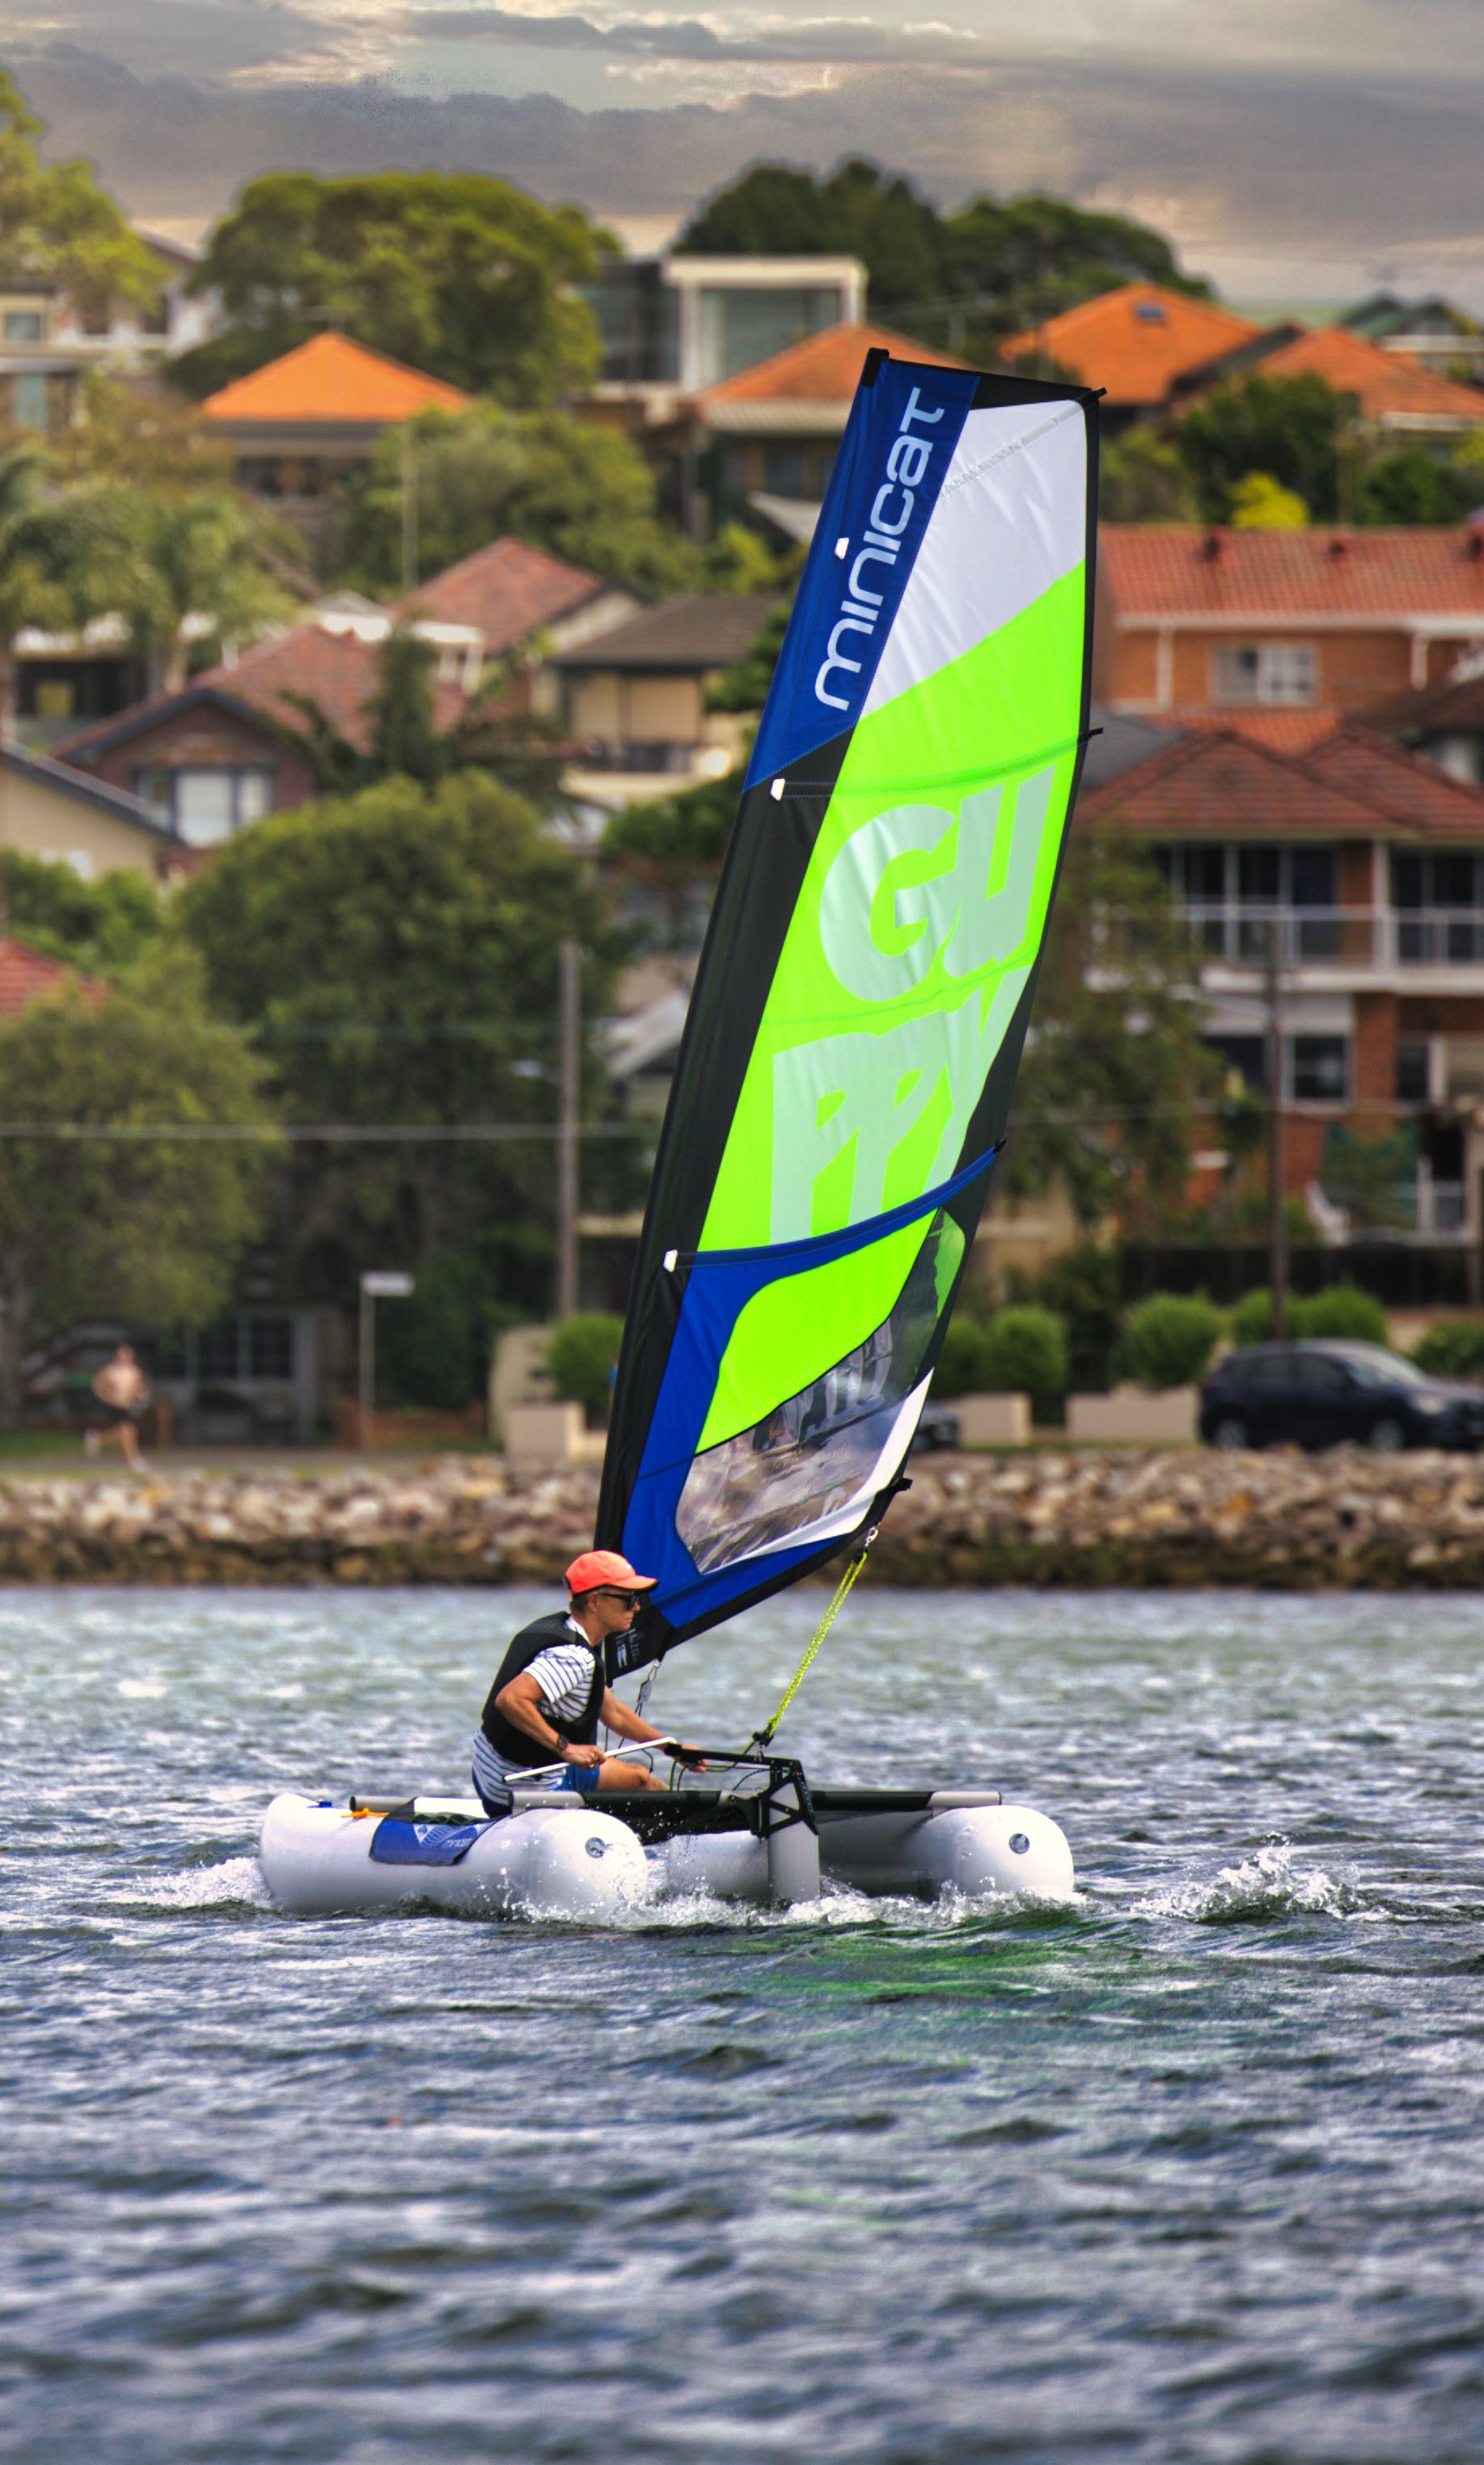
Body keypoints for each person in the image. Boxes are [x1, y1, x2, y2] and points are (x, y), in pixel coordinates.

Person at [471, 1550, 700, 1812]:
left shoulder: (567, 1632)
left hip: (490, 1772)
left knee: (640, 1779)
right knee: (636, 1794)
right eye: (630, 1599)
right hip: (518, 1791)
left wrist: (672, 1748)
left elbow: (614, 1714)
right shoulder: (574, 1657)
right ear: (594, 1601)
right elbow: (511, 1699)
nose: (636, 1607)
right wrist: (566, 1748)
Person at [85, 1343, 150, 1473]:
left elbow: (139, 1388)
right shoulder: (110, 1371)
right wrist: (106, 1396)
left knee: (125, 1434)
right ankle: (133, 1460)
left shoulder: (134, 1372)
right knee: (128, 1431)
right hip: (113, 1405)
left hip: (128, 1405)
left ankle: (97, 1438)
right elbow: (98, 1386)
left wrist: (139, 1397)